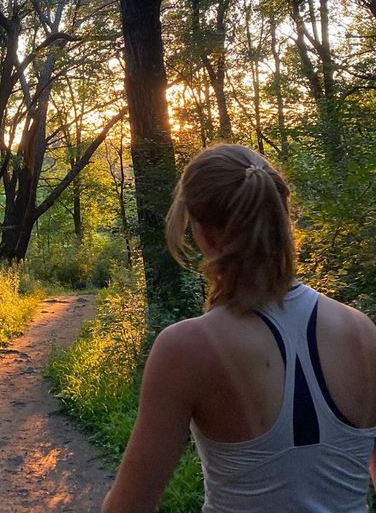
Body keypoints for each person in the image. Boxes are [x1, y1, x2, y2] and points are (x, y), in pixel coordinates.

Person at [102, 143, 376, 513]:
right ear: (281, 219)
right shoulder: (362, 332)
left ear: (204, 235)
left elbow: (129, 506)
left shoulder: (186, 348)